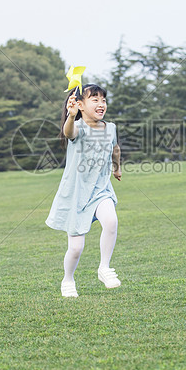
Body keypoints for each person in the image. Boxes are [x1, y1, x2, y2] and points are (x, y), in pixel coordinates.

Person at [45, 83, 122, 297]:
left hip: (100, 190)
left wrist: (116, 168)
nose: (101, 104)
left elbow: (114, 148)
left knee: (111, 221)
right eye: (94, 99)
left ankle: (104, 268)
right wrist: (71, 116)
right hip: (76, 194)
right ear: (80, 105)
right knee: (76, 247)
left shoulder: (111, 128)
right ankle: (68, 279)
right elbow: (68, 132)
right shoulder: (78, 127)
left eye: (103, 100)